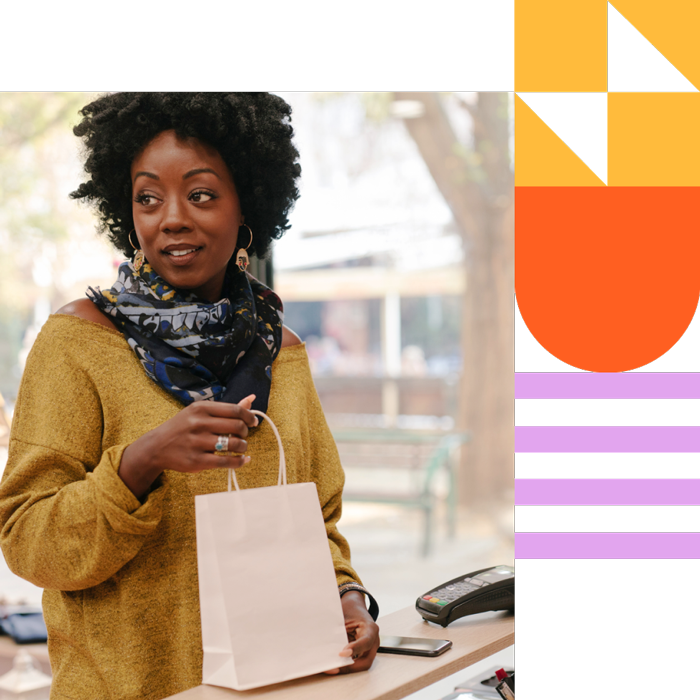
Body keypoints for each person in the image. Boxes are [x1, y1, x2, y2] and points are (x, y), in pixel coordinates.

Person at [0, 92, 380, 700]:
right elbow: (28, 542)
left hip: (283, 687)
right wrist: (137, 464)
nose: (171, 217)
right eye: (147, 198)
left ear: (246, 209)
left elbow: (318, 524)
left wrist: (348, 598)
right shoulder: (76, 344)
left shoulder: (282, 352)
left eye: (200, 194)